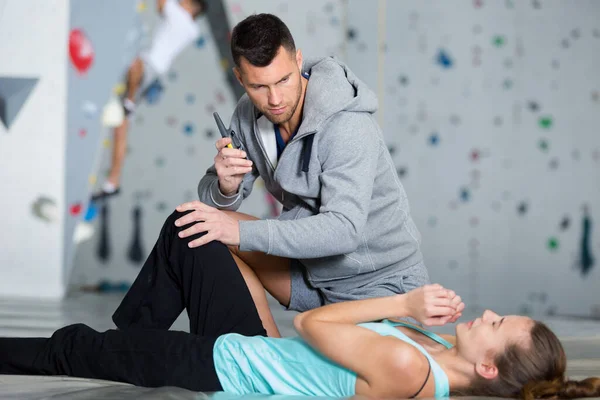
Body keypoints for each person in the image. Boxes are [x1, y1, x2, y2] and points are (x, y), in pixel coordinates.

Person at [1, 210, 599, 399]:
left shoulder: (410, 370)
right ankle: (132, 340)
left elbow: (313, 322)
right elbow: (314, 355)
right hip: (257, 351)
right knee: (195, 230)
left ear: (490, 367)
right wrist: (411, 316)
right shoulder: (437, 353)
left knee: (71, 349)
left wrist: (405, 303)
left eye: (496, 325)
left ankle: (124, 347)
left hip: (224, 369)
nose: (488, 314)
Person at [176, 13, 430, 337]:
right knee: (203, 228)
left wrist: (240, 233)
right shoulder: (247, 115)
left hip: (380, 288)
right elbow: (214, 193)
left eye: (283, 80)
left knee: (380, 382)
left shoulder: (347, 125)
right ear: (240, 79)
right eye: (259, 86)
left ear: (298, 60)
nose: (275, 99)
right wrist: (225, 186)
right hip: (313, 279)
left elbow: (344, 231)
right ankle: (267, 354)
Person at [93, 0, 206, 201]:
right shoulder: (189, 27)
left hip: (150, 68)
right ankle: (113, 182)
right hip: (152, 72)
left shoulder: (182, 19)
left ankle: (128, 101)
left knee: (133, 62)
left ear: (192, 6)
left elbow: (161, 4)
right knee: (121, 124)